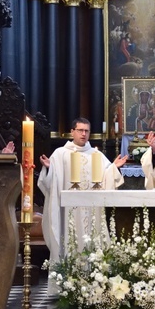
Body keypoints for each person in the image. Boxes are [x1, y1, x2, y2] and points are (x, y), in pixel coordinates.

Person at [38, 118, 126, 293]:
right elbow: (49, 184)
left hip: (92, 211)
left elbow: (106, 178)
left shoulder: (96, 155)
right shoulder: (60, 154)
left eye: (87, 131)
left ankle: (95, 285)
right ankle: (66, 286)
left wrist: (113, 168)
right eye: (80, 130)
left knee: (92, 243)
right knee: (69, 242)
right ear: (72, 131)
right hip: (68, 214)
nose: (84, 134)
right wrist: (49, 169)